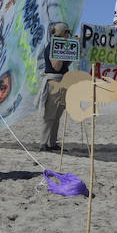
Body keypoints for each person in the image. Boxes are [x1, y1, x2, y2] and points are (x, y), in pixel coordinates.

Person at [41, 22, 72, 150]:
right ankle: (44, 142)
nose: (68, 35)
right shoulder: (53, 47)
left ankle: (52, 142)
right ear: (63, 33)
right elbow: (56, 66)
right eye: (67, 33)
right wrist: (63, 52)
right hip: (55, 81)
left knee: (58, 113)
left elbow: (66, 65)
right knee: (50, 114)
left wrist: (70, 53)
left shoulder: (59, 45)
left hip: (62, 80)